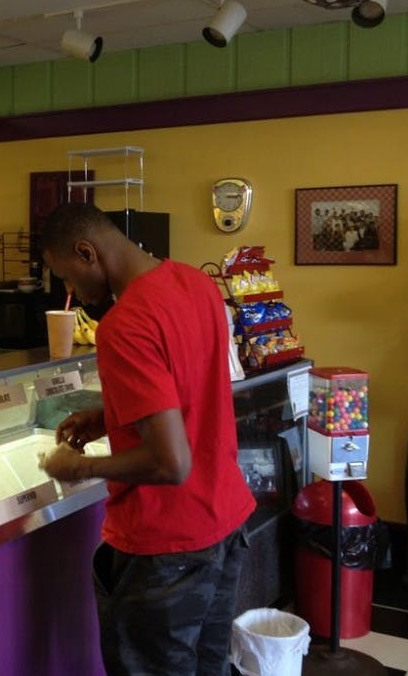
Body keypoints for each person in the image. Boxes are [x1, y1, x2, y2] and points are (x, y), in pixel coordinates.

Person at [37, 203, 255, 676]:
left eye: (66, 276)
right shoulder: (196, 284)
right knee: (209, 668)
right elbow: (189, 389)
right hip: (223, 521)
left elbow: (169, 463)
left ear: (86, 251)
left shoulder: (124, 324)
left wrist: (80, 468)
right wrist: (112, 417)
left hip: (167, 548)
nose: (70, 292)